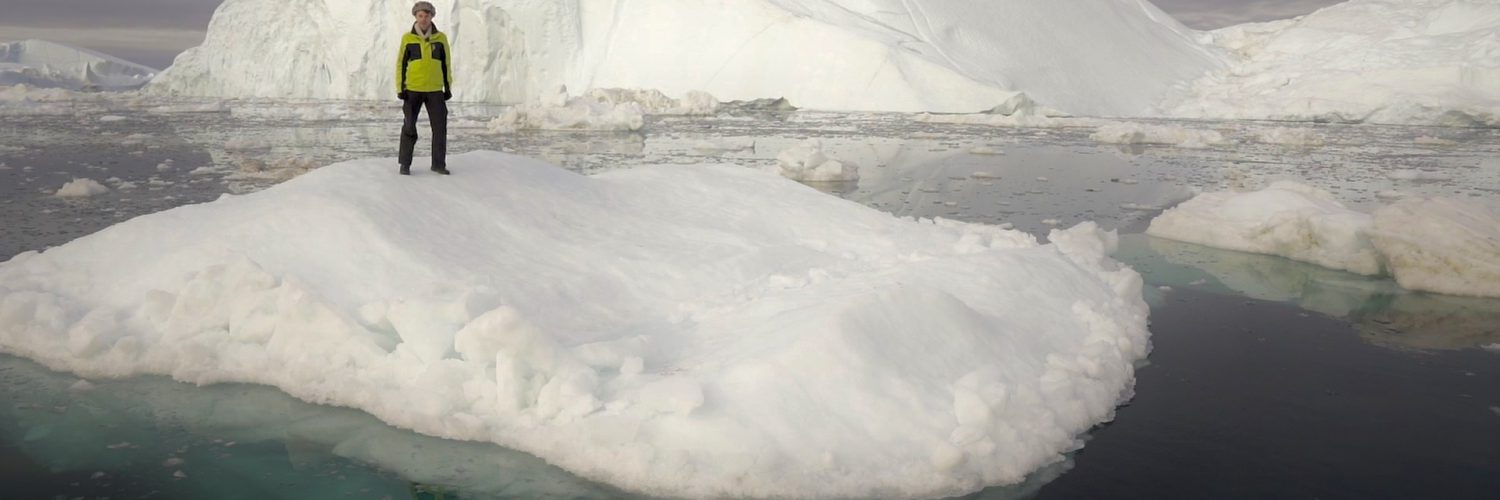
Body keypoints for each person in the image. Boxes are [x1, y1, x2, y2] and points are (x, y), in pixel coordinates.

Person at [396, 1, 453, 175]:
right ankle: (405, 164)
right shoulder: (408, 38)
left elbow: (446, 64)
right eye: (420, 15)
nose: (423, 19)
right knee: (409, 127)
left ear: (432, 16)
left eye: (427, 15)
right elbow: (401, 64)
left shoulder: (440, 38)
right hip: (413, 89)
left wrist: (447, 87)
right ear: (415, 16)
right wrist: (400, 88)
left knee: (440, 128)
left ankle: (438, 164)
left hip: (435, 90)